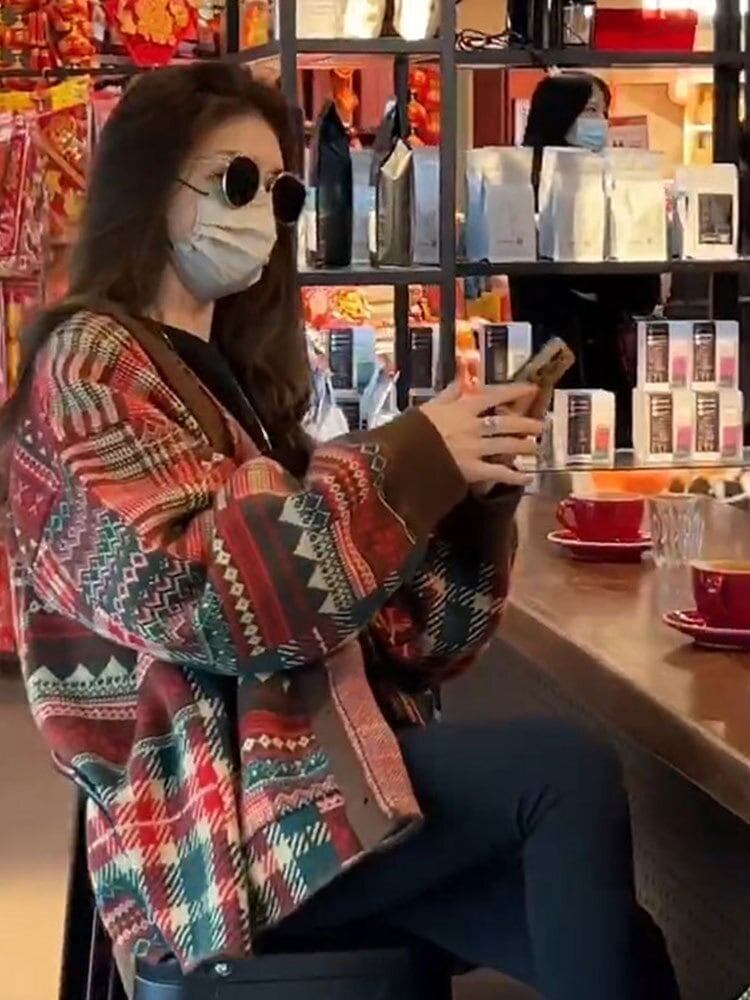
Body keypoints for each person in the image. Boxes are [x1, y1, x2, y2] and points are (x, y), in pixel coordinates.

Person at [4, 63, 677, 1000]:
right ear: (149, 189)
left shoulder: (232, 389)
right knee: (561, 774)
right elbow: (204, 599)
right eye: (236, 181)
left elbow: (413, 644)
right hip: (215, 816)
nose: (263, 215)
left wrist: (468, 500)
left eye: (281, 193)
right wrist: (410, 460)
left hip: (300, 772)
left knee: (622, 942)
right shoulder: (88, 373)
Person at [511, 72, 662, 447]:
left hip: (609, 363)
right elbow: (536, 289)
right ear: (561, 113)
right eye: (590, 109)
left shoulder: (617, 183)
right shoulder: (520, 183)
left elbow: (644, 288)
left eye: (604, 111)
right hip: (547, 360)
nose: (600, 121)